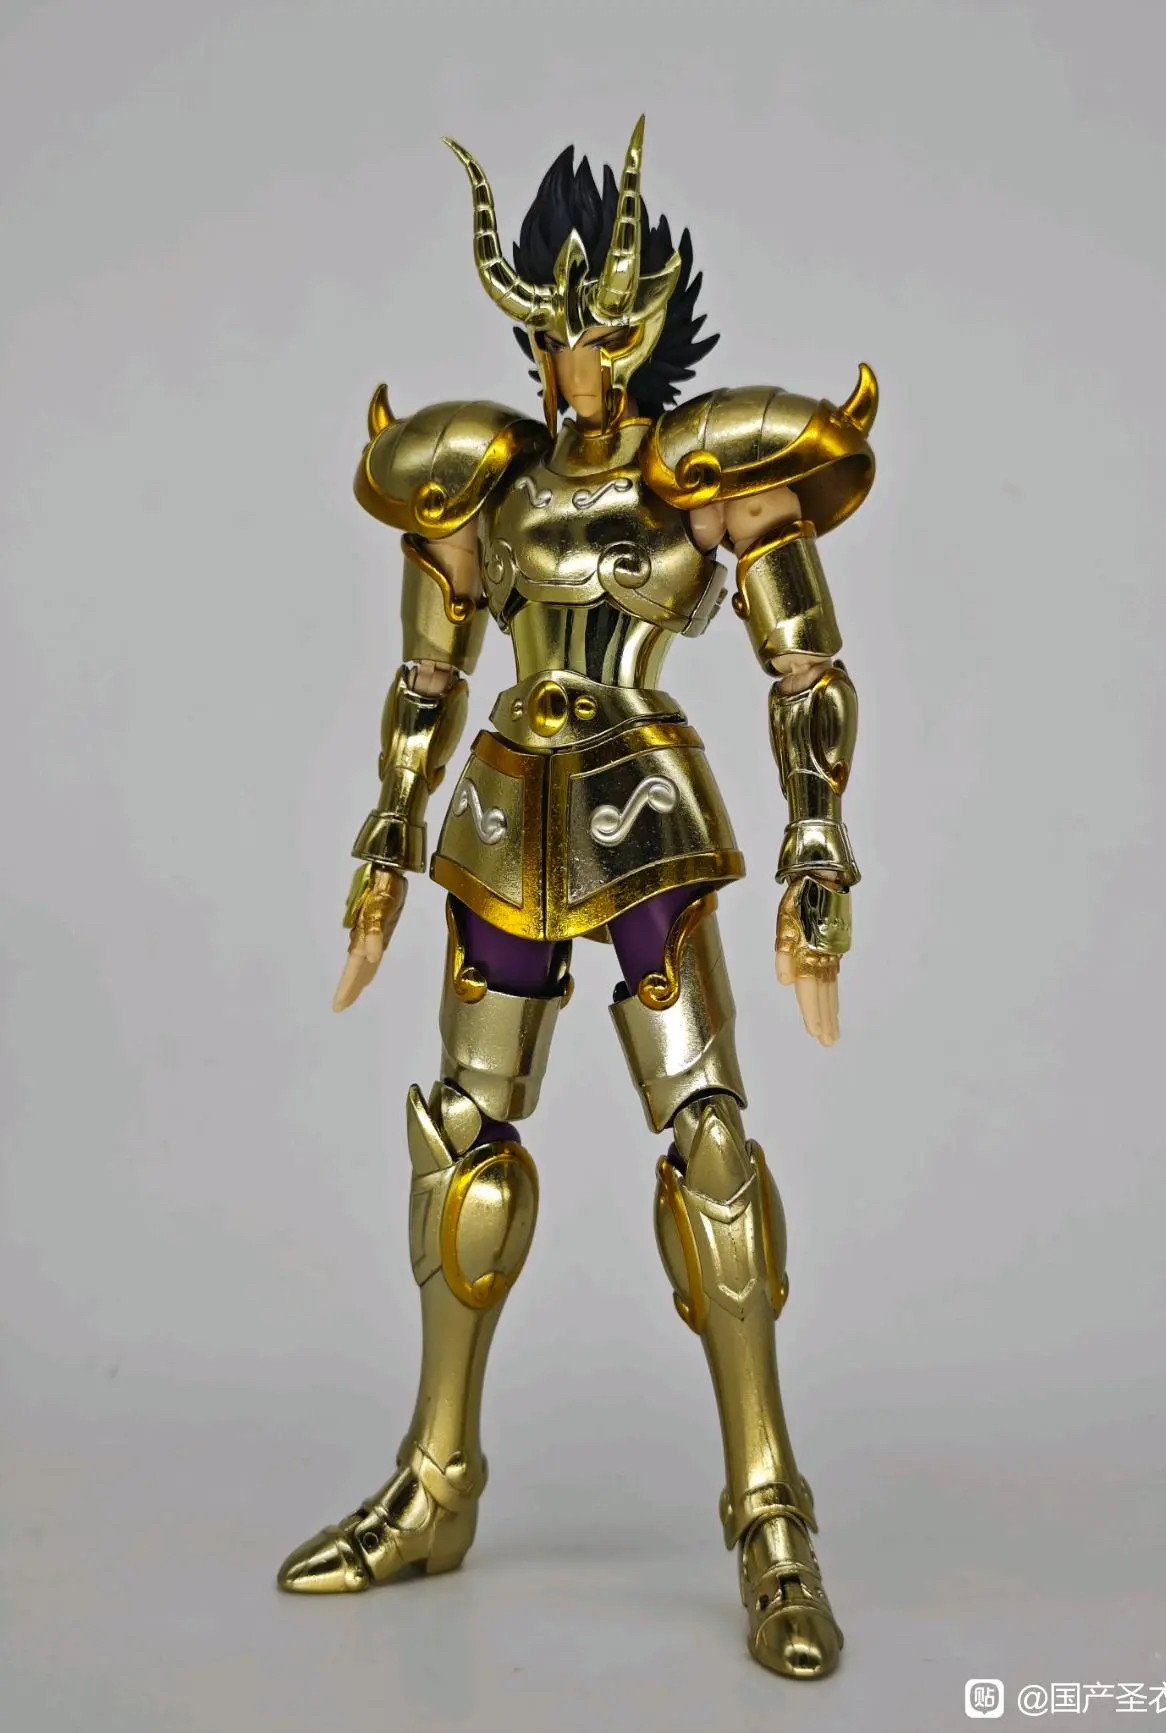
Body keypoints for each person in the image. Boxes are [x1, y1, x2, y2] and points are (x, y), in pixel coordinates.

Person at [276, 116, 877, 1682]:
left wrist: (817, 851)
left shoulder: (708, 477)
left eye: (597, 334)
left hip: (646, 817)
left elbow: (807, 672)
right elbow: (426, 675)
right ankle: (436, 1480)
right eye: (548, 334)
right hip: (501, 817)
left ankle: (770, 1515)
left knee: (712, 1144)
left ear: (645, 329)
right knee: (460, 1143)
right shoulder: (478, 477)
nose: (572, 365)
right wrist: (386, 836)